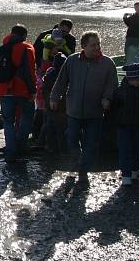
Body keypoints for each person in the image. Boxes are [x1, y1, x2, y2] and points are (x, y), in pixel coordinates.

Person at [50, 31, 119, 181]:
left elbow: (112, 84)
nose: (97, 48)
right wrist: (54, 97)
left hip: (95, 112)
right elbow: (61, 81)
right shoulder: (72, 60)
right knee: (71, 138)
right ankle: (77, 158)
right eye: (93, 45)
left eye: (98, 44)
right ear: (83, 46)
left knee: (91, 143)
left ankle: (83, 171)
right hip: (74, 110)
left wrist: (107, 98)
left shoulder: (107, 63)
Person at [0, 24, 37, 162]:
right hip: (21, 89)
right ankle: (21, 146)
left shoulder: (2, 47)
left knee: (8, 121)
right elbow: (30, 72)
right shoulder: (27, 48)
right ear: (24, 35)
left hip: (3, 89)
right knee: (27, 115)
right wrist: (33, 90)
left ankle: (11, 151)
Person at [113, 63, 139, 186]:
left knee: (138, 149)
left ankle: (134, 170)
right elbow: (114, 109)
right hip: (123, 126)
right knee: (125, 150)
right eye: (137, 79)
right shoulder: (120, 91)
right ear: (130, 78)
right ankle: (126, 174)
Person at [42, 52, 68, 153]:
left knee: (50, 127)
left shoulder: (49, 74)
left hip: (51, 105)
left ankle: (51, 147)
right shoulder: (67, 75)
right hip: (61, 107)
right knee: (61, 129)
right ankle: (62, 149)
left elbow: (44, 91)